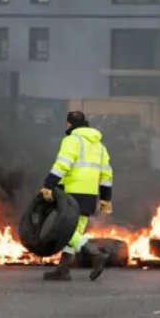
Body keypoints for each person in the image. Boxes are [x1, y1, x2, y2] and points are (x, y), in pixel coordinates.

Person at [39, 111, 113, 281]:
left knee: (65, 230)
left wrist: (48, 185)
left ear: (69, 124)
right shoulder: (99, 146)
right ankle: (63, 269)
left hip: (71, 192)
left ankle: (94, 253)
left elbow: (62, 165)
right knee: (75, 230)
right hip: (89, 194)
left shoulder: (72, 140)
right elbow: (107, 174)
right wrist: (105, 198)